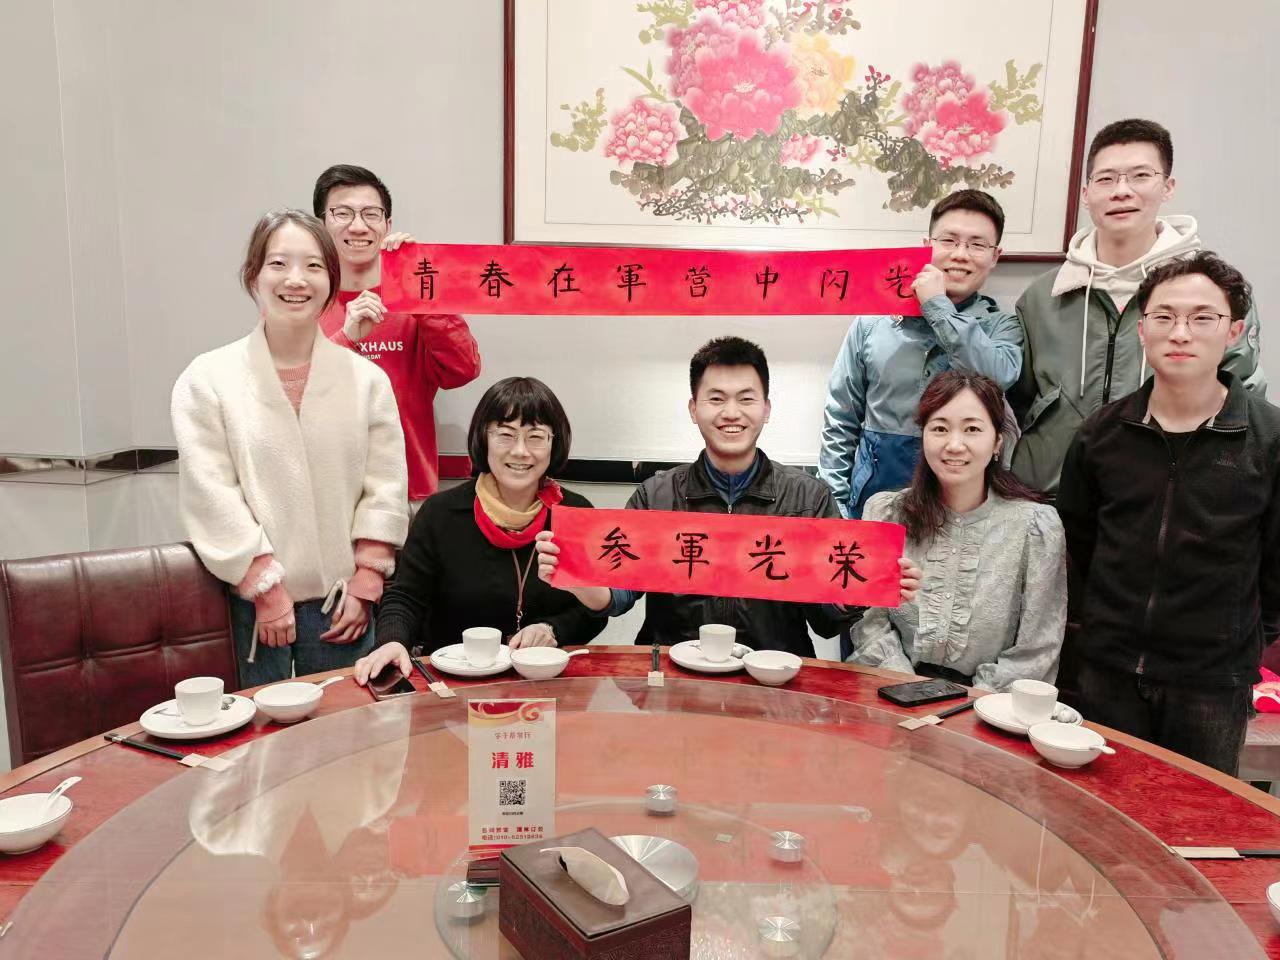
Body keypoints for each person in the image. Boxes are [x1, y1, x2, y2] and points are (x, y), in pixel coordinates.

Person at [534, 336, 922, 659]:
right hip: (673, 680)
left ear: (766, 409)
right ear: (694, 408)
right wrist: (573, 577)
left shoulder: (808, 497)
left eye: (746, 399)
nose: (731, 413)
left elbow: (825, 619)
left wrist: (865, 584)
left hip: (775, 683)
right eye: (716, 399)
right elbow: (618, 596)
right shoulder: (657, 494)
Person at [1057, 252, 1280, 775]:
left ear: (1234, 332)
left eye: (1203, 318)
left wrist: (1244, 642)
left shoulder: (1269, 439)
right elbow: (1078, 543)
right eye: (1164, 316)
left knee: (1193, 814)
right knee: (1101, 810)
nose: (1181, 332)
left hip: (1211, 681)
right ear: (1142, 330)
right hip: (1106, 669)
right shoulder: (1101, 434)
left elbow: (1276, 563)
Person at [172, 209, 409, 685]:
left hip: (344, 605)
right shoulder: (209, 378)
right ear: (253, 275)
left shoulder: (367, 380)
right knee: (262, 727)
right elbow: (210, 491)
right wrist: (265, 587)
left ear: (331, 280)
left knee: (348, 725)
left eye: (314, 266)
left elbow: (384, 485)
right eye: (279, 263)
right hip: (251, 606)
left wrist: (367, 581)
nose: (296, 280)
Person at [1012, 118, 1265, 495]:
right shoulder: (1042, 296)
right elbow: (1018, 402)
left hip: (1164, 502)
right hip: (1047, 500)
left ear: (1168, 187)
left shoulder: (1213, 294)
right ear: (1086, 194)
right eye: (1106, 179)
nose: (1121, 191)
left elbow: (1241, 399)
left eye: (1140, 176)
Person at [353, 377, 605, 683]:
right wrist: (392, 641)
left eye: (536, 436)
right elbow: (406, 597)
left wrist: (553, 629)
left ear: (555, 442)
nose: (520, 451)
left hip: (548, 680)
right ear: (483, 438)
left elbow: (594, 608)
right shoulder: (441, 513)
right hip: (454, 682)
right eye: (505, 435)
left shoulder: (576, 515)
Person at [848, 371, 1066, 691]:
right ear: (923, 436)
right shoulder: (884, 514)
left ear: (997, 442)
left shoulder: (1034, 527)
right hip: (891, 690)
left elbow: (1036, 650)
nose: (954, 445)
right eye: (939, 428)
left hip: (989, 705)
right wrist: (909, 691)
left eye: (972, 429)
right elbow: (869, 623)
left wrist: (973, 703)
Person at [819, 189, 1022, 521]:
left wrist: (937, 306)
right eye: (949, 240)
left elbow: (998, 375)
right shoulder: (873, 323)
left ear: (995, 256)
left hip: (965, 510)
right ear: (927, 244)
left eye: (977, 244)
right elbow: (841, 419)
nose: (960, 254)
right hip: (874, 502)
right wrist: (835, 506)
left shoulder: (1002, 327)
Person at [313, 164, 482, 508]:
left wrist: (419, 285)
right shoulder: (300, 297)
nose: (358, 226)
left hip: (407, 491)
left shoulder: (416, 298)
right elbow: (286, 391)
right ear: (320, 224)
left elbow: (463, 370)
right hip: (322, 491)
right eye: (342, 213)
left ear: (387, 225)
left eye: (371, 214)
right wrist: (347, 338)